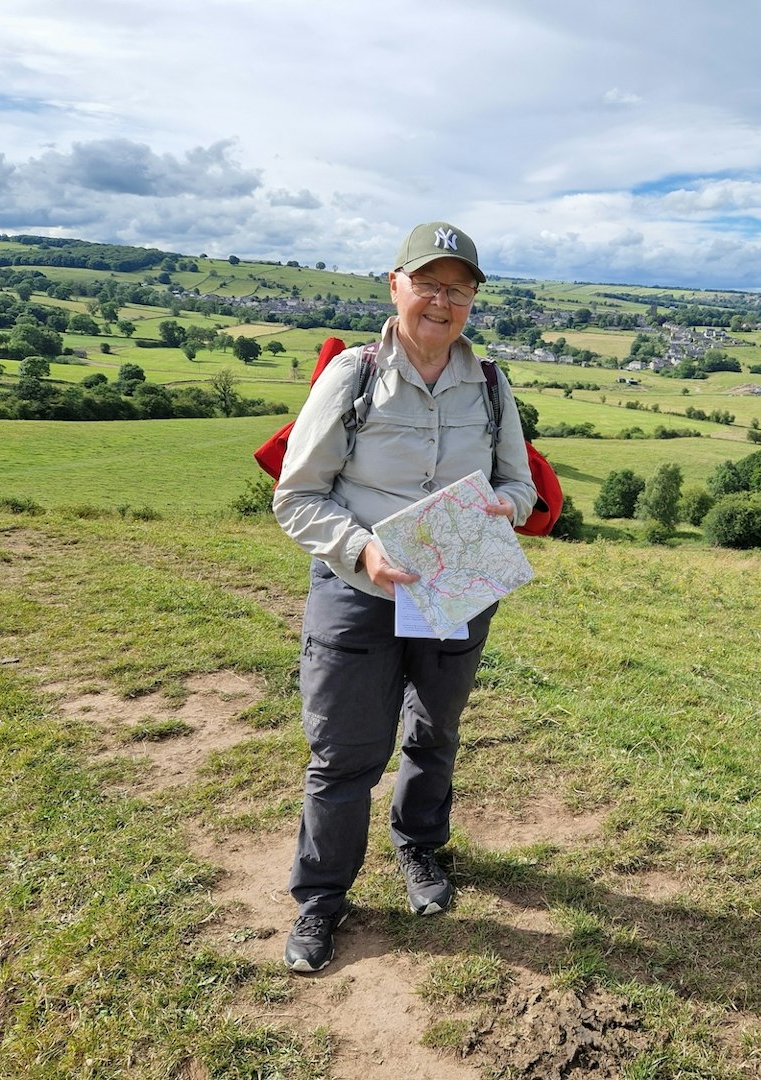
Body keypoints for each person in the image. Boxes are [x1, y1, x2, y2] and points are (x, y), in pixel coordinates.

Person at [271, 221, 536, 973]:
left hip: (458, 580)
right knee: (345, 752)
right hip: (360, 590)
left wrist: (505, 508)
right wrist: (363, 549)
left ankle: (420, 849)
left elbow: (518, 483)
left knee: (435, 733)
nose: (442, 302)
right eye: (429, 284)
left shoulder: (488, 381)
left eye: (458, 289)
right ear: (396, 286)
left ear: (473, 302)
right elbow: (297, 497)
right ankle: (322, 899)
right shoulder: (352, 375)